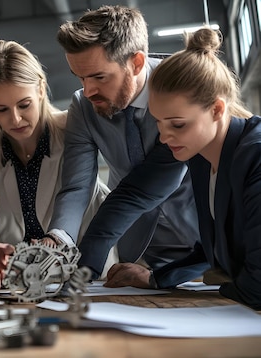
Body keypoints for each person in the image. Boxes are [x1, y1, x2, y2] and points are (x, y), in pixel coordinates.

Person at [49, 5, 206, 285]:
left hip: (204, 243)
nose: (88, 91)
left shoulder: (184, 87)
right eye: (80, 78)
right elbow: (77, 185)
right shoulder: (83, 107)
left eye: (99, 77)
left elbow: (148, 185)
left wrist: (85, 268)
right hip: (141, 253)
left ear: (136, 62)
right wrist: (58, 238)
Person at [107, 28, 261, 309]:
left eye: (178, 125)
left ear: (217, 109)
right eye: (159, 123)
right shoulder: (202, 157)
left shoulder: (256, 156)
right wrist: (156, 278)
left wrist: (217, 296)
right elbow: (212, 250)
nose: (164, 138)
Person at [0, 40, 111, 294]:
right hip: (20, 283)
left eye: (24, 105)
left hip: (88, 274)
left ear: (41, 90)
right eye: (2, 109)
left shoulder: (74, 131)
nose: (15, 119)